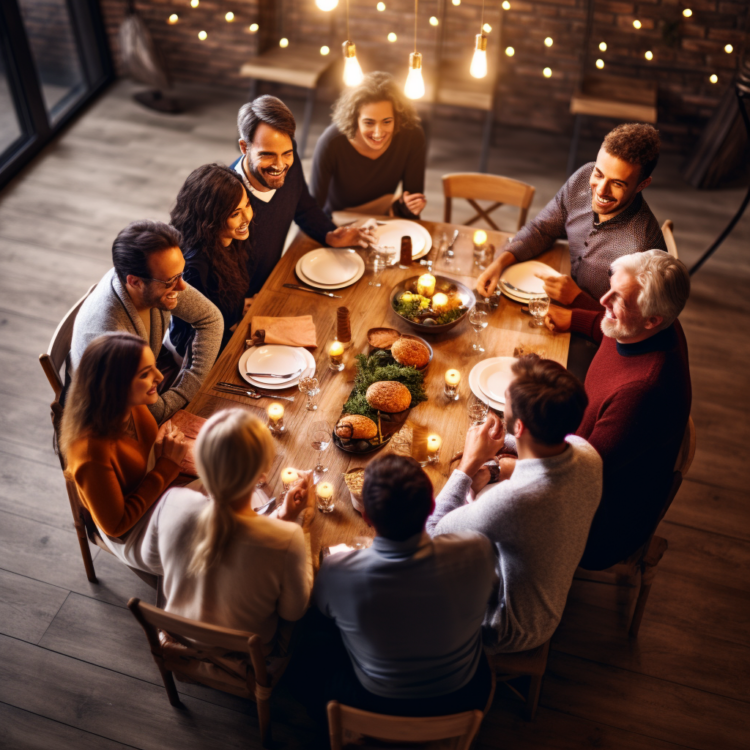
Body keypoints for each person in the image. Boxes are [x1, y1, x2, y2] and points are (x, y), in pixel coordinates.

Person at [427, 357, 602, 653]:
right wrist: (497, 452)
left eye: (505, 399)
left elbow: (434, 535)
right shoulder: (587, 454)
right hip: (544, 591)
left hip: (508, 627)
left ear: (520, 426)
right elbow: (540, 444)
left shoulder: (514, 500)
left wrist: (468, 466)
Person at [313, 455, 496, 716]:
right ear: (432, 506)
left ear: (367, 517)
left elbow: (323, 610)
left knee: (314, 635)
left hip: (373, 700)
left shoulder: (337, 571)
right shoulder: (478, 549)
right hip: (462, 697)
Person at [545, 250, 692, 570]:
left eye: (619, 300)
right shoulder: (645, 324)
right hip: (579, 452)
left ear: (653, 320)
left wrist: (505, 465)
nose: (602, 301)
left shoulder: (642, 392)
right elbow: (610, 331)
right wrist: (574, 317)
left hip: (597, 523)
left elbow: (573, 473)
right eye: (610, 287)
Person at [140, 409, 314, 658]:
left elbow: (151, 561)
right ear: (262, 474)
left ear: (199, 462)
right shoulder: (288, 539)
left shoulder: (171, 500)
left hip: (178, 636)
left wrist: (280, 518)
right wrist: (300, 524)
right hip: (248, 654)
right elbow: (293, 612)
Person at [476, 123, 667, 312]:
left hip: (589, 332)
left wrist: (577, 299)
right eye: (599, 174)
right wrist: (500, 262)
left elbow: (631, 330)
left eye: (617, 183)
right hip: (555, 304)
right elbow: (542, 229)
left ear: (642, 184)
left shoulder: (642, 251)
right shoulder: (583, 177)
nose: (600, 190)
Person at [71, 220, 223, 423]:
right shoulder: (111, 336)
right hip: (112, 419)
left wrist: (190, 383)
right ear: (134, 281)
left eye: (181, 274)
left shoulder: (148, 279)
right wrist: (184, 394)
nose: (182, 287)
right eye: (171, 281)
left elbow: (210, 318)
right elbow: (154, 413)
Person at [60, 332, 188, 570]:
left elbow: (142, 452)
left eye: (154, 367)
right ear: (113, 387)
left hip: (154, 493)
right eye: (144, 374)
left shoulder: (132, 405)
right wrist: (165, 467)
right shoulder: (90, 454)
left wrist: (162, 451)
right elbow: (116, 526)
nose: (159, 376)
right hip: (133, 534)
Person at [230, 96, 374, 296]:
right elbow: (206, 269)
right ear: (244, 148)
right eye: (267, 154)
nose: (280, 165)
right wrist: (236, 306)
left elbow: (303, 205)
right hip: (239, 303)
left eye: (286, 153)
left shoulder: (288, 155)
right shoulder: (225, 198)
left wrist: (328, 234)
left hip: (272, 282)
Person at [310, 71, 427, 219]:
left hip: (385, 219)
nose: (378, 133)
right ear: (354, 119)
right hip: (337, 220)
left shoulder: (412, 135)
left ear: (398, 117)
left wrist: (411, 206)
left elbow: (409, 207)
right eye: (369, 123)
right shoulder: (331, 142)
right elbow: (311, 210)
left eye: (387, 121)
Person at [169, 164, 255, 356]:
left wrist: (241, 306)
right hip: (206, 353)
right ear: (209, 219)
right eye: (235, 214)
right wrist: (243, 344)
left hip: (230, 331)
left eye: (247, 205)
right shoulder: (194, 269)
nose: (247, 217)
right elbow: (190, 339)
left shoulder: (230, 238)